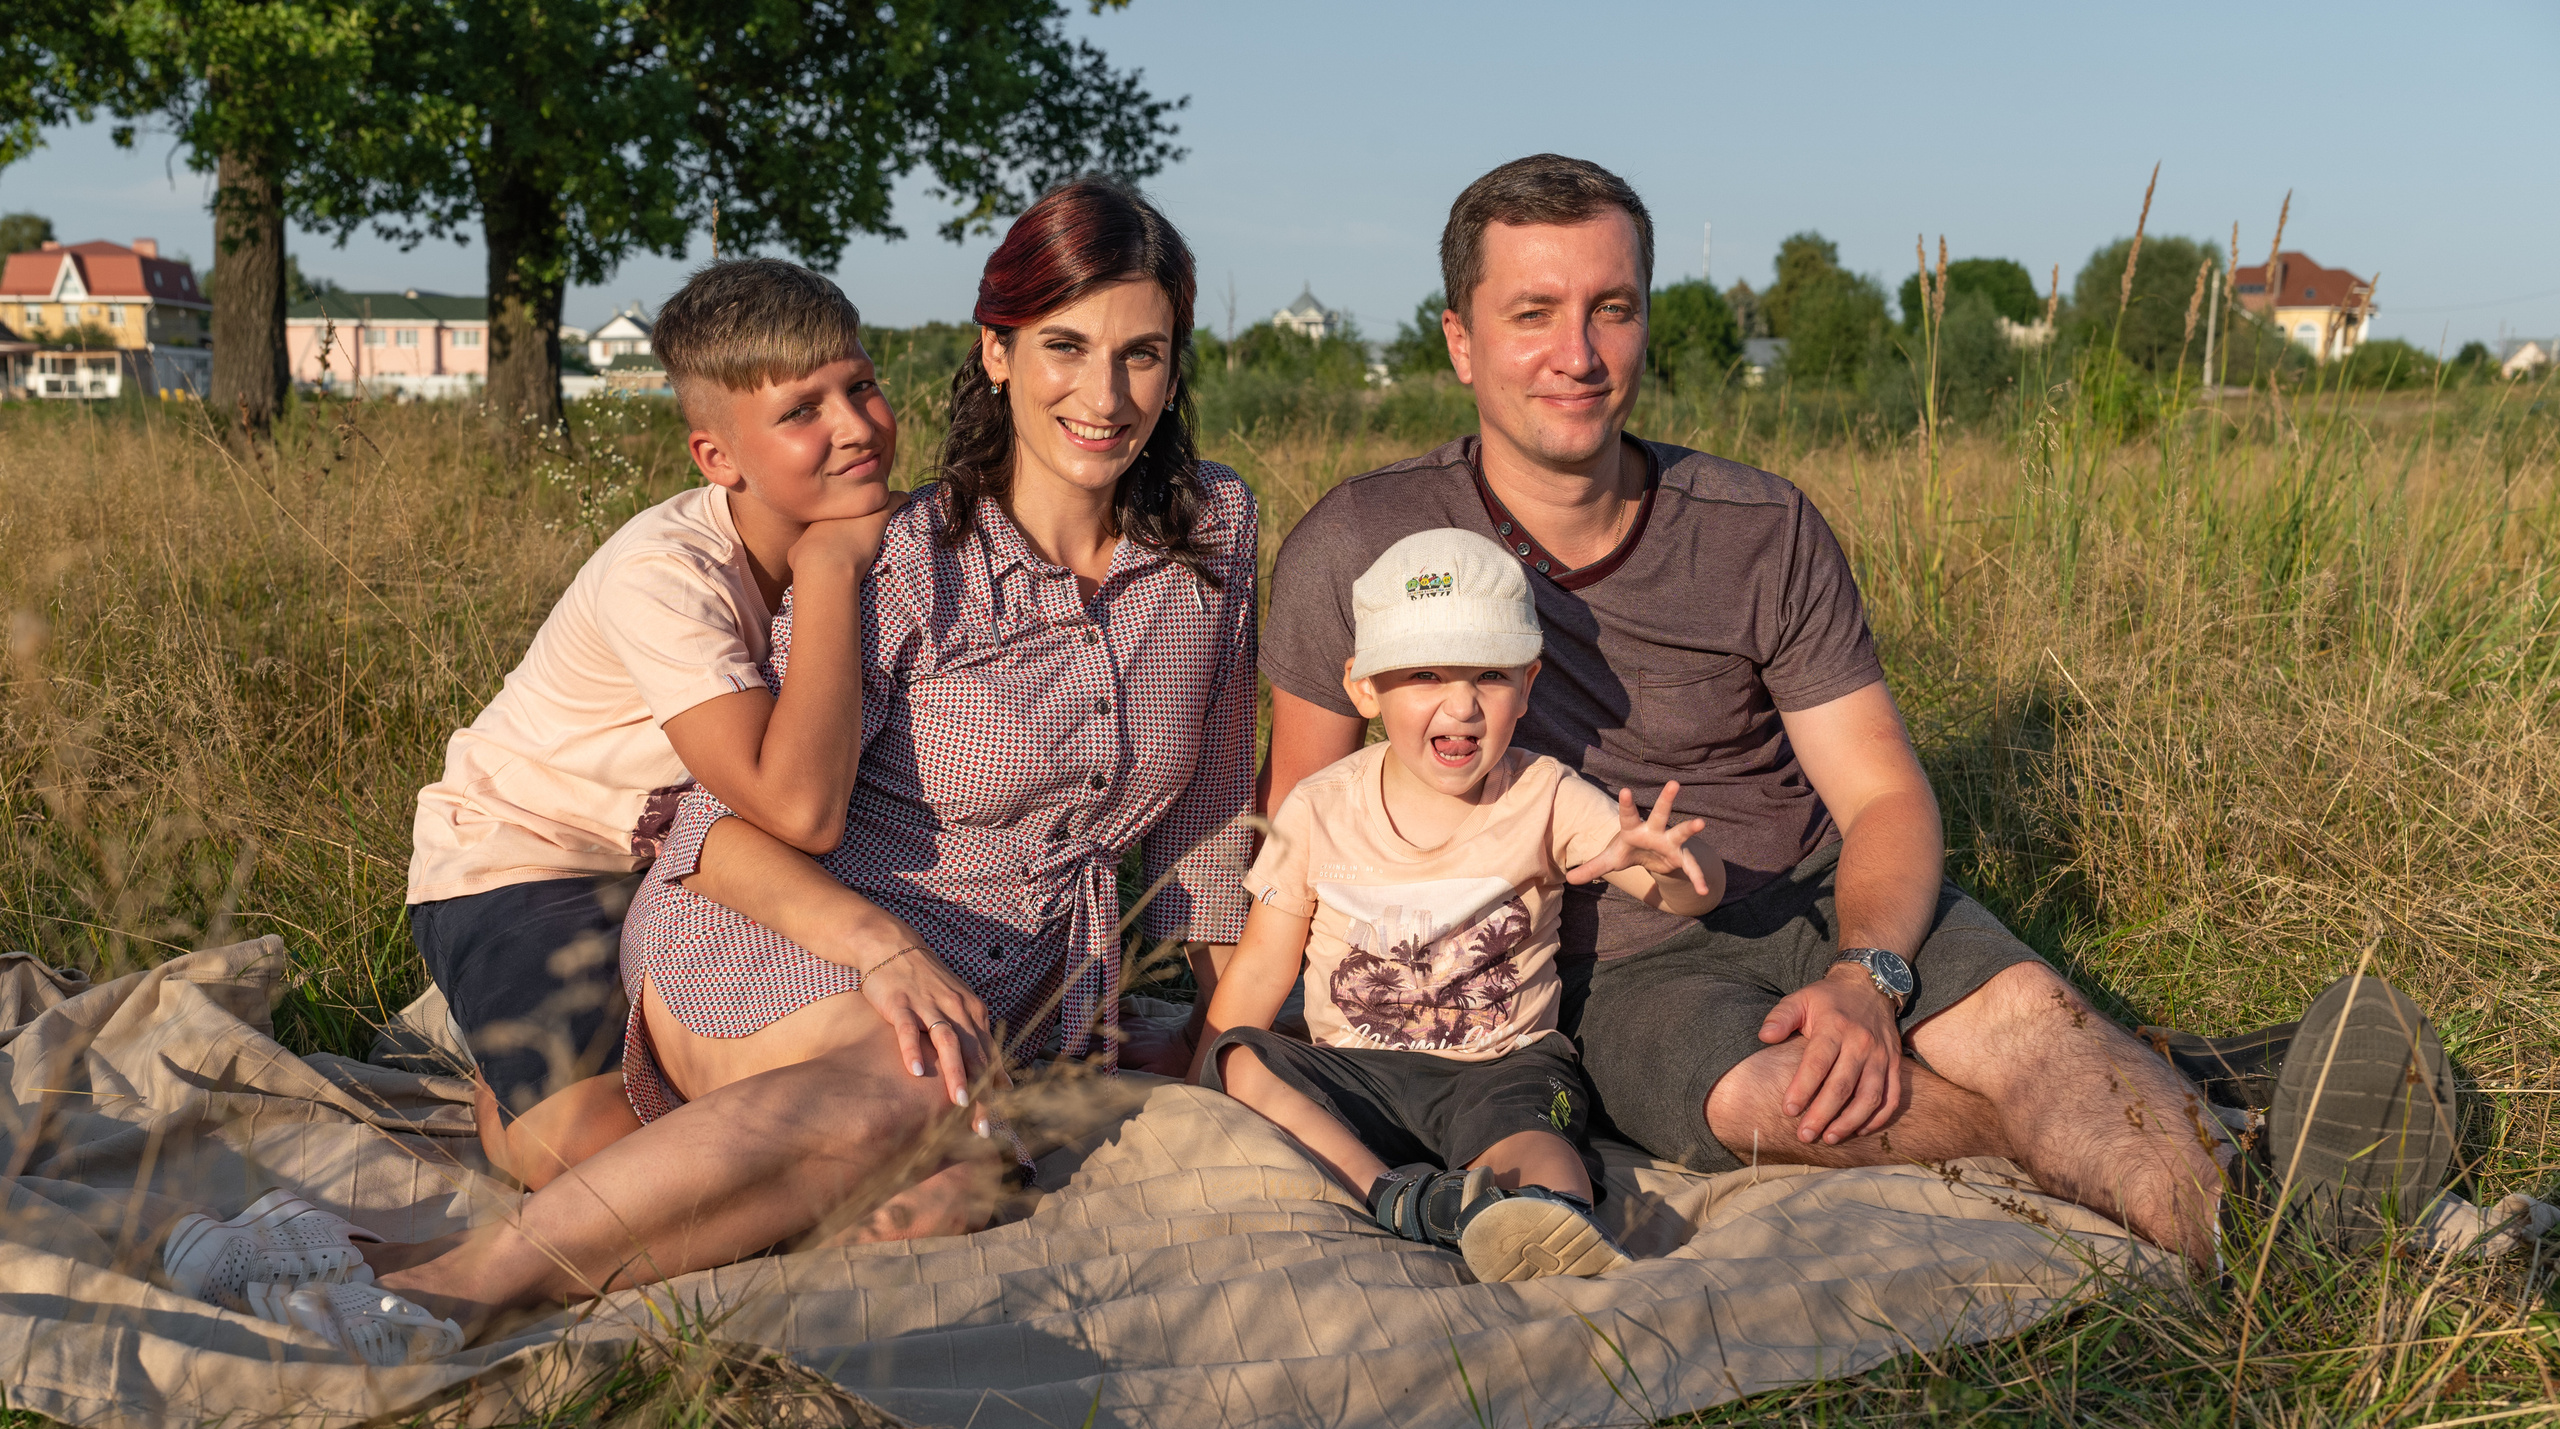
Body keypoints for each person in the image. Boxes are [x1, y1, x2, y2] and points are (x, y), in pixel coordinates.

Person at [1257, 155, 2454, 1273]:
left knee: (2030, 1021)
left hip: (1827, 894)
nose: (1577, 352)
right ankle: (2248, 1136)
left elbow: (1879, 792)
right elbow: (1304, 832)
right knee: (1790, 1104)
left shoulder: (1756, 526)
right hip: (1622, 973)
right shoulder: (1362, 548)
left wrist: (1867, 976)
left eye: (1611, 308)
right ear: (1460, 341)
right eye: (1532, 314)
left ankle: (2282, 1247)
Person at [219, 175, 1256, 1366]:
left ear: (1177, 367)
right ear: (999, 353)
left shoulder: (1217, 529)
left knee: (933, 1204)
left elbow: (1213, 810)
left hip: (1013, 968)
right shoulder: (896, 556)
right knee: (907, 1093)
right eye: (1065, 346)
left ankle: (368, 1252)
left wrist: (1217, 1037)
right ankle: (461, 1288)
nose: (1105, 393)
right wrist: (883, 946)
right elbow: (715, 820)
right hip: (764, 916)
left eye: (1144, 354)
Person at [405, 259, 900, 1170]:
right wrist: (830, 568)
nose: (855, 427)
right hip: (528, 860)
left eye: (861, 385)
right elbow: (799, 809)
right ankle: (507, 1069)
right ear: (718, 458)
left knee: (817, 1096)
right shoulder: (665, 574)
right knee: (594, 1165)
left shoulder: (890, 532)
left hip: (686, 863)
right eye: (801, 411)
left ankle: (566, 1050)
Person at [1196, 530, 1721, 1282]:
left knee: (1537, 1134)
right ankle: (1401, 1197)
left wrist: (1671, 862)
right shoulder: (1319, 808)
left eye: (1489, 675)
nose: (1462, 704)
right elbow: (1258, 972)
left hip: (1501, 1065)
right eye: (1426, 674)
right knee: (1245, 1058)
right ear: (1364, 688)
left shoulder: (1545, 795)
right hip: (1357, 1072)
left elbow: (1692, 893)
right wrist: (1202, 1084)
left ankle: (1543, 1216)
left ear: (1529, 685)